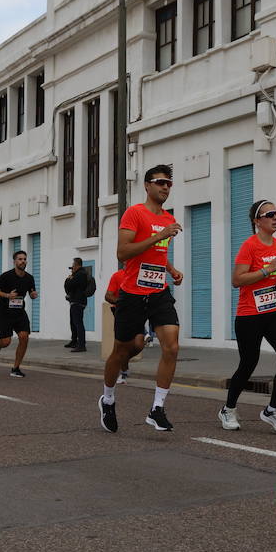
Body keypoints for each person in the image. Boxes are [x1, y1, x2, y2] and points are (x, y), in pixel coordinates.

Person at [99, 165, 184, 434]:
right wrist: (157, 235)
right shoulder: (135, 213)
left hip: (158, 292)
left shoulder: (169, 218)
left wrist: (171, 270)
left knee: (171, 346)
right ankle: (108, 399)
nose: (165, 187)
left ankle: (157, 408)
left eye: (169, 183)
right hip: (132, 294)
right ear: (147, 185)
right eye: (160, 182)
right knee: (122, 350)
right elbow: (123, 252)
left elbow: (157, 256)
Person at [220, 199, 276, 435]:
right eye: (269, 214)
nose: (275, 218)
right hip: (249, 315)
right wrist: (267, 269)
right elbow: (237, 280)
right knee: (248, 364)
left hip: (272, 311)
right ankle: (228, 409)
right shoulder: (249, 246)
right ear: (257, 221)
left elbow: (270, 278)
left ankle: (273, 409)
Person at [0, 250, 37, 377]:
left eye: (25, 259)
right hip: (5, 313)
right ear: (15, 261)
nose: (23, 261)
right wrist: (7, 295)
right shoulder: (6, 276)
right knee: (6, 342)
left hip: (20, 313)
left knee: (24, 337)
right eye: (20, 259)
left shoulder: (29, 278)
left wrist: (33, 295)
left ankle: (16, 368)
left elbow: (32, 293)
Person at [103, 266, 145, 384]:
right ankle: (124, 371)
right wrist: (121, 302)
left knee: (138, 345)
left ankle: (123, 367)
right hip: (121, 314)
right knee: (122, 347)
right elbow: (108, 295)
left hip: (138, 313)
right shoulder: (117, 276)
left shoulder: (141, 274)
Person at [63, 257, 93, 352]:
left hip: (77, 302)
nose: (72, 268)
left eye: (73, 266)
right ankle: (74, 341)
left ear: (77, 265)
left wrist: (68, 279)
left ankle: (81, 345)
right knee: (73, 322)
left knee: (78, 323)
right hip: (77, 301)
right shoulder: (81, 274)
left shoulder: (80, 274)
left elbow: (68, 286)